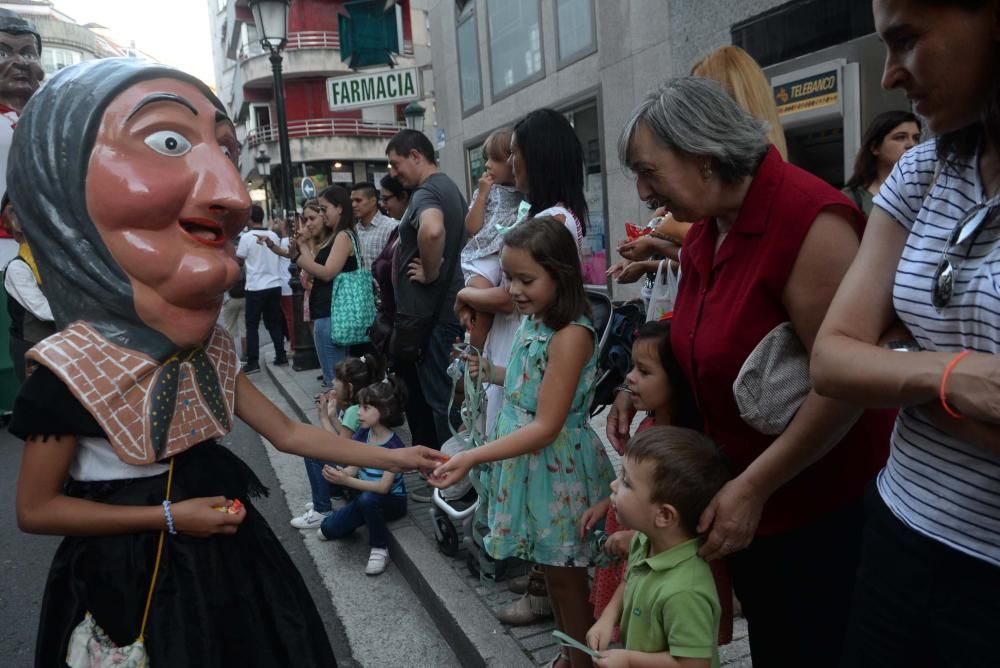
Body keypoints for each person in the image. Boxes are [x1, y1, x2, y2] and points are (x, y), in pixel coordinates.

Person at [7, 58, 444, 667]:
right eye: (168, 141)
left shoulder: (205, 350)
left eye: (226, 152)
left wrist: (395, 456)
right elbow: (35, 508)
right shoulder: (69, 369)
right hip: (126, 583)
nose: (232, 195)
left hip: (228, 568)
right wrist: (169, 516)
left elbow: (288, 432)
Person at [610, 77, 895, 667]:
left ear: (704, 157)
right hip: (751, 507)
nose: (642, 191)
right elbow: (696, 343)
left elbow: (844, 385)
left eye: (648, 171)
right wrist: (637, 392)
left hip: (821, 511)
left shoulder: (811, 222)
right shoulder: (707, 231)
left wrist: (755, 486)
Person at [811, 1, 1000, 665]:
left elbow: (859, 355)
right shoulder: (927, 170)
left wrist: (891, 354)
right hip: (899, 533)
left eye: (907, 39)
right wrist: (952, 377)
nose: (890, 74)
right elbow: (832, 358)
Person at [432, 217, 616, 668]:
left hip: (555, 471)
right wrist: (488, 372)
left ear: (561, 274)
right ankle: (571, 652)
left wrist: (474, 456)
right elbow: (528, 385)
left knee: (568, 579)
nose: (512, 289)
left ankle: (583, 661)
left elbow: (547, 424)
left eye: (525, 279)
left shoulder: (571, 335)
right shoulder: (535, 321)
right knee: (551, 574)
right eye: (509, 277)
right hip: (533, 467)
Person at [579, 320, 724, 641]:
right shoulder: (648, 426)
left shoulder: (685, 449)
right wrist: (608, 504)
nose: (629, 379)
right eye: (632, 367)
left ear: (678, 380)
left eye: (644, 372)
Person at [587, 427, 730, 668]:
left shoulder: (685, 591)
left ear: (663, 515)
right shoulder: (644, 542)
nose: (613, 485)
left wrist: (630, 660)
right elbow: (629, 580)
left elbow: (692, 665)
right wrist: (608, 618)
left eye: (626, 482)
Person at [386, 129, 467, 448]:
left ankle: (454, 483)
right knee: (449, 399)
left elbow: (432, 231)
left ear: (416, 156)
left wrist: (431, 272)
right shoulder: (447, 186)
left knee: (441, 403)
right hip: (441, 314)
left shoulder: (426, 192)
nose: (393, 173)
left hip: (433, 318)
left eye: (396, 164)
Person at [458, 127, 522, 433]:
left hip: (502, 257)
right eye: (485, 160)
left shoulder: (523, 195)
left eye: (494, 160)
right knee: (480, 306)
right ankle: (472, 353)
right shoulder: (487, 191)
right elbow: (471, 227)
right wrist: (482, 193)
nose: (487, 166)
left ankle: (475, 355)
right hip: (481, 257)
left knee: (485, 305)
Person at [318, 375, 410, 576]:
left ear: (384, 411)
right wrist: (341, 474)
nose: (358, 412)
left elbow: (383, 488)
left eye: (365, 408)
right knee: (326, 530)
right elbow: (353, 466)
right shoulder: (363, 434)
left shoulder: (395, 446)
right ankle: (350, 518)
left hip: (392, 501)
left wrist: (347, 480)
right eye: (359, 406)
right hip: (365, 497)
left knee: (368, 500)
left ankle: (379, 547)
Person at [291, 355, 380, 530]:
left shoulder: (354, 410)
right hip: (358, 459)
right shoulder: (355, 407)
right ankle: (332, 494)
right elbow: (345, 438)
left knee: (312, 453)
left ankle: (322, 509)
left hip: (359, 464)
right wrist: (332, 416)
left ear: (350, 387)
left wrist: (324, 416)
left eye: (337, 379)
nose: (332, 382)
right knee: (317, 447)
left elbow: (339, 447)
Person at [264, 198, 343, 386]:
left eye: (311, 218)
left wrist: (302, 247)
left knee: (329, 348)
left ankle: (330, 380)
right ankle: (326, 374)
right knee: (317, 337)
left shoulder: (333, 241)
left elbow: (322, 271)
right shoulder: (312, 241)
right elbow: (291, 254)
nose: (307, 224)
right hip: (314, 299)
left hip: (328, 303)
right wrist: (273, 246)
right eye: (305, 220)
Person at [2, 193, 54, 380]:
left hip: (55, 344)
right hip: (31, 347)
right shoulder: (18, 268)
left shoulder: (52, 265)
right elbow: (42, 310)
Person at [842, 110, 922, 217]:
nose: (912, 145)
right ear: (875, 147)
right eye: (900, 137)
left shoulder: (926, 191)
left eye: (916, 138)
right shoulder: (852, 198)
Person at [236, 204, 287, 374]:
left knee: (252, 325)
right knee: (274, 322)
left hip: (255, 286)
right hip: (274, 284)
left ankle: (253, 361)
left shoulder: (246, 238)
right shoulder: (273, 235)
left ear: (249, 219)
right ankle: (281, 355)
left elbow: (240, 259)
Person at [350, 180, 398, 268]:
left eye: (358, 200)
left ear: (373, 201)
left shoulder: (391, 228)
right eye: (352, 201)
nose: (353, 205)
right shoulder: (353, 230)